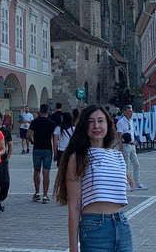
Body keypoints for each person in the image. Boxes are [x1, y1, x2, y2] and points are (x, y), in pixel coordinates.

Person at [54, 105, 133, 252]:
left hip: (121, 224)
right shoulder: (77, 158)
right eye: (91, 121)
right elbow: (74, 206)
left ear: (108, 125)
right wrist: (73, 248)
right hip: (94, 227)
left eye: (100, 121)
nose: (96, 126)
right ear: (84, 126)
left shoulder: (117, 156)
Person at [28, 103, 57, 202]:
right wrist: (55, 151)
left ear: (40, 111)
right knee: (46, 172)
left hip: (37, 148)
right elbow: (54, 139)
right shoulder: (51, 123)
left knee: (36, 170)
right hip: (47, 149)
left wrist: (32, 141)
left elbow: (28, 134)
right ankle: (45, 195)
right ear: (48, 111)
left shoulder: (35, 122)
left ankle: (37, 193)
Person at [117, 105, 148, 191]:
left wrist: (134, 140)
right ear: (125, 112)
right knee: (126, 165)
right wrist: (120, 147)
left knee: (136, 164)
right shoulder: (121, 122)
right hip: (125, 145)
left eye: (131, 111)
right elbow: (119, 135)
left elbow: (131, 131)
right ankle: (126, 183)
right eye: (129, 111)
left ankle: (137, 183)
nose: (131, 113)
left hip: (132, 145)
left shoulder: (131, 121)